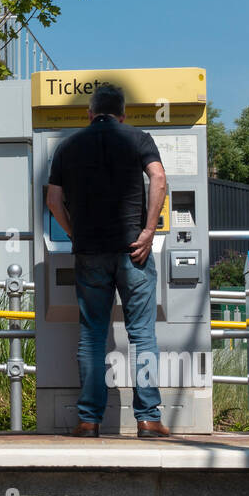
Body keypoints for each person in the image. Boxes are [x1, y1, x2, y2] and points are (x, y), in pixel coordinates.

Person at [45, 83, 171, 438]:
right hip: (134, 250)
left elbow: (54, 200)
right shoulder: (138, 138)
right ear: (123, 113)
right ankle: (148, 418)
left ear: (90, 113)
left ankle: (88, 420)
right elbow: (159, 178)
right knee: (142, 334)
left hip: (90, 253)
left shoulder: (68, 146)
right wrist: (148, 230)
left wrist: (74, 234)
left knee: (91, 337)